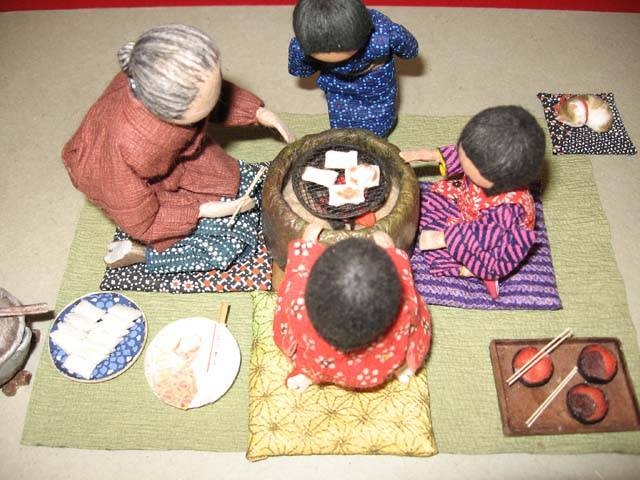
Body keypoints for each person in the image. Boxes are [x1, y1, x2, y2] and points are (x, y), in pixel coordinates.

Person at [62, 24, 294, 272]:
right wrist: (204, 210)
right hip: (143, 196)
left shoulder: (159, 82)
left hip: (178, 160)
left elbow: (211, 95)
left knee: (248, 181)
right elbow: (143, 220)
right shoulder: (120, 154)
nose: (217, 97)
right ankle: (140, 254)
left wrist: (257, 113)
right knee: (227, 246)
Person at [400, 105, 545, 299]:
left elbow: (485, 235)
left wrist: (442, 238)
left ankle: (472, 271)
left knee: (443, 254)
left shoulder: (508, 208)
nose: (462, 159)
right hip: (468, 202)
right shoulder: (486, 164)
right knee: (428, 198)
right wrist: (426, 155)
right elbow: (463, 156)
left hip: (491, 238)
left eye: (468, 162)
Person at [273, 223, 432, 391]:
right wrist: (392, 252)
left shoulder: (298, 305)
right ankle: (403, 367)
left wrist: (307, 245)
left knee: (295, 339)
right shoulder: (404, 307)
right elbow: (404, 278)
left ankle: (306, 376)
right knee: (414, 326)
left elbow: (296, 274)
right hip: (377, 369)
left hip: (318, 364)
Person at [288, 0, 418, 137]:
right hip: (337, 85)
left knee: (379, 121)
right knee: (342, 124)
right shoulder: (302, 46)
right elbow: (301, 70)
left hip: (375, 84)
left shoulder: (383, 35)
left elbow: (410, 50)